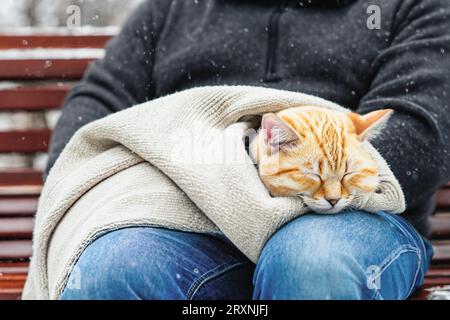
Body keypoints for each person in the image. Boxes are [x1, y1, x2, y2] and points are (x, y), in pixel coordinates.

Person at [50, 0, 450, 300]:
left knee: (311, 265)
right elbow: (97, 106)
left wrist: (266, 192)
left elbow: (420, 128)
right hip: (185, 219)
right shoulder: (173, 8)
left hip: (345, 217)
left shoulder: (409, 7)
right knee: (114, 270)